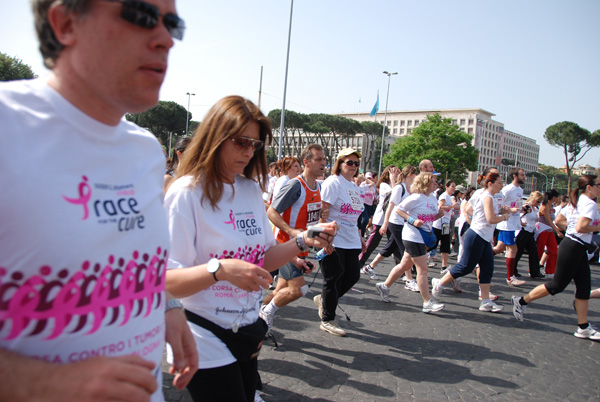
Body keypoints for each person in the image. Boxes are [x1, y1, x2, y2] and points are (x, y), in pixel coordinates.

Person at [0, 1, 198, 401]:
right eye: (140, 16)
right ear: (66, 22)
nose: (164, 40)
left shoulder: (145, 151)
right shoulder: (8, 126)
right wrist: (40, 381)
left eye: (172, 25)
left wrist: (168, 306)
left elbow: (134, 256)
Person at [164, 96, 337, 401]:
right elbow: (165, 280)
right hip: (201, 329)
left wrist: (302, 239)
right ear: (215, 137)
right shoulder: (186, 192)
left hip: (247, 324)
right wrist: (220, 270)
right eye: (240, 142)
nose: (248, 152)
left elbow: (264, 257)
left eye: (255, 145)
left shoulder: (248, 190)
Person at [512, 175, 600, 341]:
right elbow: (581, 226)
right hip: (573, 247)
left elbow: (560, 220)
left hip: (577, 246)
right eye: (598, 185)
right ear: (589, 187)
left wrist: (574, 228)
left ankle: (583, 327)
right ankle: (521, 301)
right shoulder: (589, 203)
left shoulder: (579, 201)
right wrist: (588, 227)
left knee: (583, 288)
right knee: (556, 285)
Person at [260, 144, 327, 335]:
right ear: (306, 162)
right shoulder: (295, 185)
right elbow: (271, 211)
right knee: (299, 290)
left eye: (324, 159)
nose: (323, 163)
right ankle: (266, 313)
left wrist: (322, 218)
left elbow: (309, 219)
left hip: (300, 247)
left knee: (279, 289)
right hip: (283, 245)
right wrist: (290, 230)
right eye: (318, 159)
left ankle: (253, 317)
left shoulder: (318, 186)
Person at [432, 172, 511, 313]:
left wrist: (502, 211)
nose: (501, 185)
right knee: (466, 266)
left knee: (487, 268)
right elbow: (490, 219)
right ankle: (440, 282)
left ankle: (486, 301)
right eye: (499, 183)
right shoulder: (487, 196)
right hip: (477, 235)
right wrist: (504, 217)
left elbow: (479, 212)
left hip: (484, 237)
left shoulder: (489, 196)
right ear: (490, 184)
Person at [375, 172, 446, 313]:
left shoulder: (432, 198)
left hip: (423, 235)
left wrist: (438, 215)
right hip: (412, 236)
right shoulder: (415, 197)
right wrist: (413, 220)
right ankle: (427, 302)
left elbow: (428, 217)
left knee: (404, 265)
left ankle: (384, 285)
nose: (436, 184)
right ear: (425, 183)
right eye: (433, 181)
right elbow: (398, 209)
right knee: (423, 269)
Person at [314, 148, 366, 337]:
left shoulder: (354, 186)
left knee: (352, 277)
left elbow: (354, 216)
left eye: (356, 163)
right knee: (332, 278)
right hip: (333, 238)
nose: (353, 166)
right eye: (349, 162)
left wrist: (360, 237)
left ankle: (324, 300)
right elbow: (322, 211)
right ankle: (328, 319)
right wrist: (323, 240)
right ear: (339, 164)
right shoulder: (333, 183)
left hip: (351, 239)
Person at [362, 166, 418, 292]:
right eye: (415, 174)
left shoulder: (409, 189)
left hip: (403, 223)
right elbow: (391, 206)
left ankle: (370, 266)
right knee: (406, 251)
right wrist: (385, 223)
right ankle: (409, 280)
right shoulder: (398, 187)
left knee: (390, 247)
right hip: (395, 222)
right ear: (410, 174)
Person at [358, 165, 401, 268]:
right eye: (395, 171)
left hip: (392, 220)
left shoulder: (398, 185)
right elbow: (395, 194)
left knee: (394, 244)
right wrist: (392, 179)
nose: (398, 173)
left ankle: (401, 268)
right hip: (381, 220)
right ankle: (359, 262)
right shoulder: (384, 185)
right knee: (372, 244)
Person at [494, 168, 526, 286]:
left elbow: (517, 206)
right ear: (514, 176)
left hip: (514, 223)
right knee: (513, 249)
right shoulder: (507, 189)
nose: (524, 177)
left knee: (499, 248)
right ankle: (510, 277)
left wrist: (523, 210)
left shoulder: (520, 190)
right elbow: (499, 205)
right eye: (522, 175)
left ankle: (479, 258)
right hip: (506, 223)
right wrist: (509, 210)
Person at [514, 192, 545, 278]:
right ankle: (513, 270)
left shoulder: (536, 208)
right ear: (533, 199)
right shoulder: (526, 206)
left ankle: (535, 272)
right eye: (538, 201)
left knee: (533, 252)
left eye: (540, 202)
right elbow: (517, 214)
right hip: (523, 231)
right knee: (518, 252)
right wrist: (520, 223)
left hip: (531, 232)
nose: (538, 203)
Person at [432, 180, 460, 273]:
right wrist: (451, 206)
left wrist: (454, 206)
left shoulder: (450, 197)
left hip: (446, 224)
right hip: (439, 223)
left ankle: (444, 266)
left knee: (445, 244)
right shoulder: (444, 196)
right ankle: (421, 261)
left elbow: (456, 206)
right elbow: (440, 207)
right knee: (433, 244)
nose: (454, 188)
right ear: (447, 187)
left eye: (454, 187)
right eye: (452, 186)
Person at [535, 189, 563, 279]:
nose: (557, 200)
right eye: (556, 198)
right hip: (543, 229)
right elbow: (548, 220)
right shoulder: (545, 205)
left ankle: (550, 271)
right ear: (554, 197)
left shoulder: (550, 205)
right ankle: (534, 269)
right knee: (539, 250)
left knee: (554, 250)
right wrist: (557, 231)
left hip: (549, 230)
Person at [358, 172, 377, 237]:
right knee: (365, 219)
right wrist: (365, 179)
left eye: (370, 178)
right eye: (368, 178)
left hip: (370, 204)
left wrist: (375, 199)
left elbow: (373, 193)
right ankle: (361, 233)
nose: (369, 179)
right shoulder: (363, 185)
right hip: (363, 204)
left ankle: (362, 232)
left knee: (367, 221)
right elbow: (372, 183)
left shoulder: (372, 187)